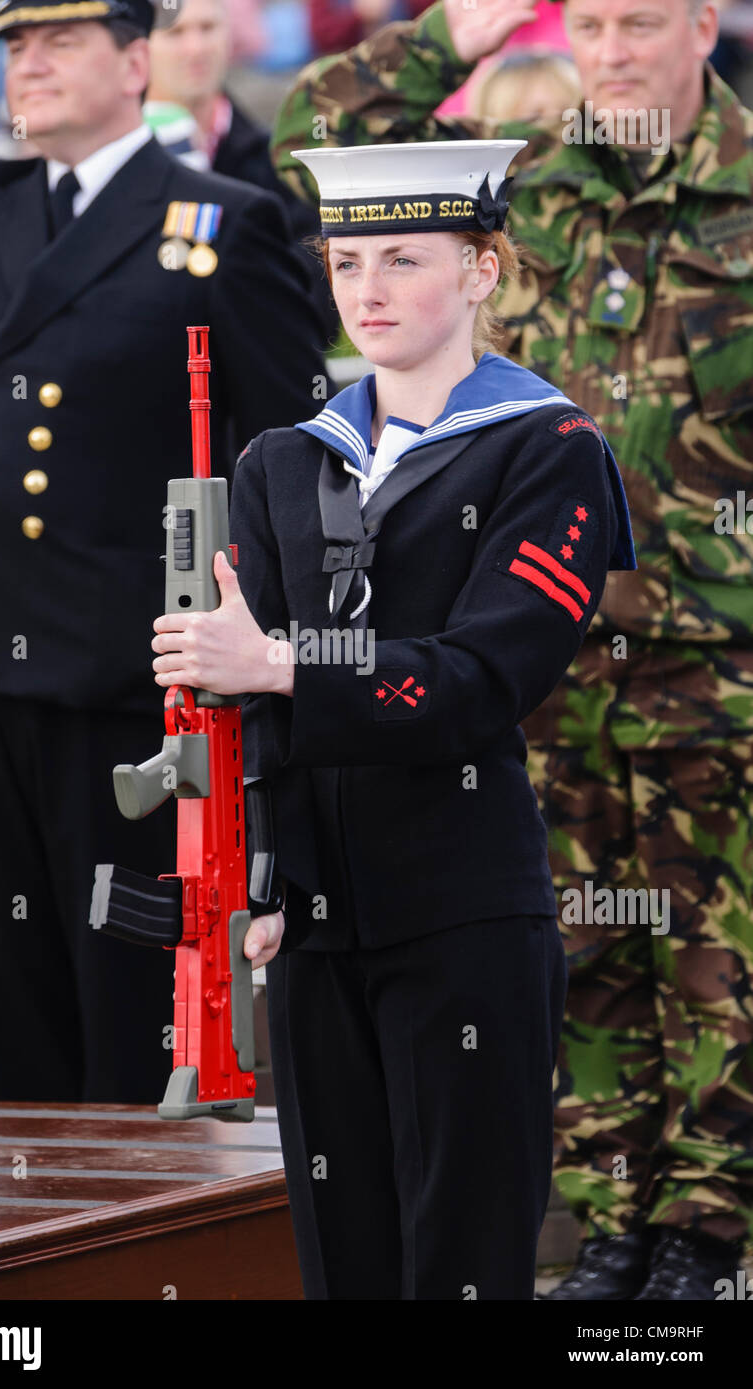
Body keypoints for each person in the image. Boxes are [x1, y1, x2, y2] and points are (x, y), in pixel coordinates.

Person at [271, 0, 753, 1299]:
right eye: (585, 25)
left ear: (700, 27)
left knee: (719, 958)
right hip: (533, 660)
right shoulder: (514, 195)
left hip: (715, 663)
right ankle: (603, 1222)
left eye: (636, 23)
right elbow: (314, 141)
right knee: (579, 950)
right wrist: (448, 34)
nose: (607, 51)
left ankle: (704, 1236)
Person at [150, 138, 636, 1299]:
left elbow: (475, 680)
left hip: (459, 907)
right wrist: (264, 872)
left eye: (404, 259)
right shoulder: (279, 461)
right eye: (345, 259)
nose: (365, 290)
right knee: (343, 1257)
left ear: (482, 269)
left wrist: (276, 665)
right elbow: (253, 712)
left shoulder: (549, 448)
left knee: (459, 1255)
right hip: (314, 920)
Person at [0, 0, 328, 1105]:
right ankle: (23, 1255)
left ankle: (139, 1260)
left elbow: (282, 452)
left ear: (136, 62)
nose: (29, 66)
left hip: (135, 677)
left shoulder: (217, 220)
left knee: (133, 1005)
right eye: (16, 46)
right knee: (8, 1004)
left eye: (61, 42)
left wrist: (262, 652)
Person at [147, 0, 339, 343]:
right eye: (175, 32)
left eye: (207, 28)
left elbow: (320, 293)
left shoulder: (279, 159)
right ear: (140, 46)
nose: (195, 48)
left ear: (229, 34)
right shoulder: (113, 159)